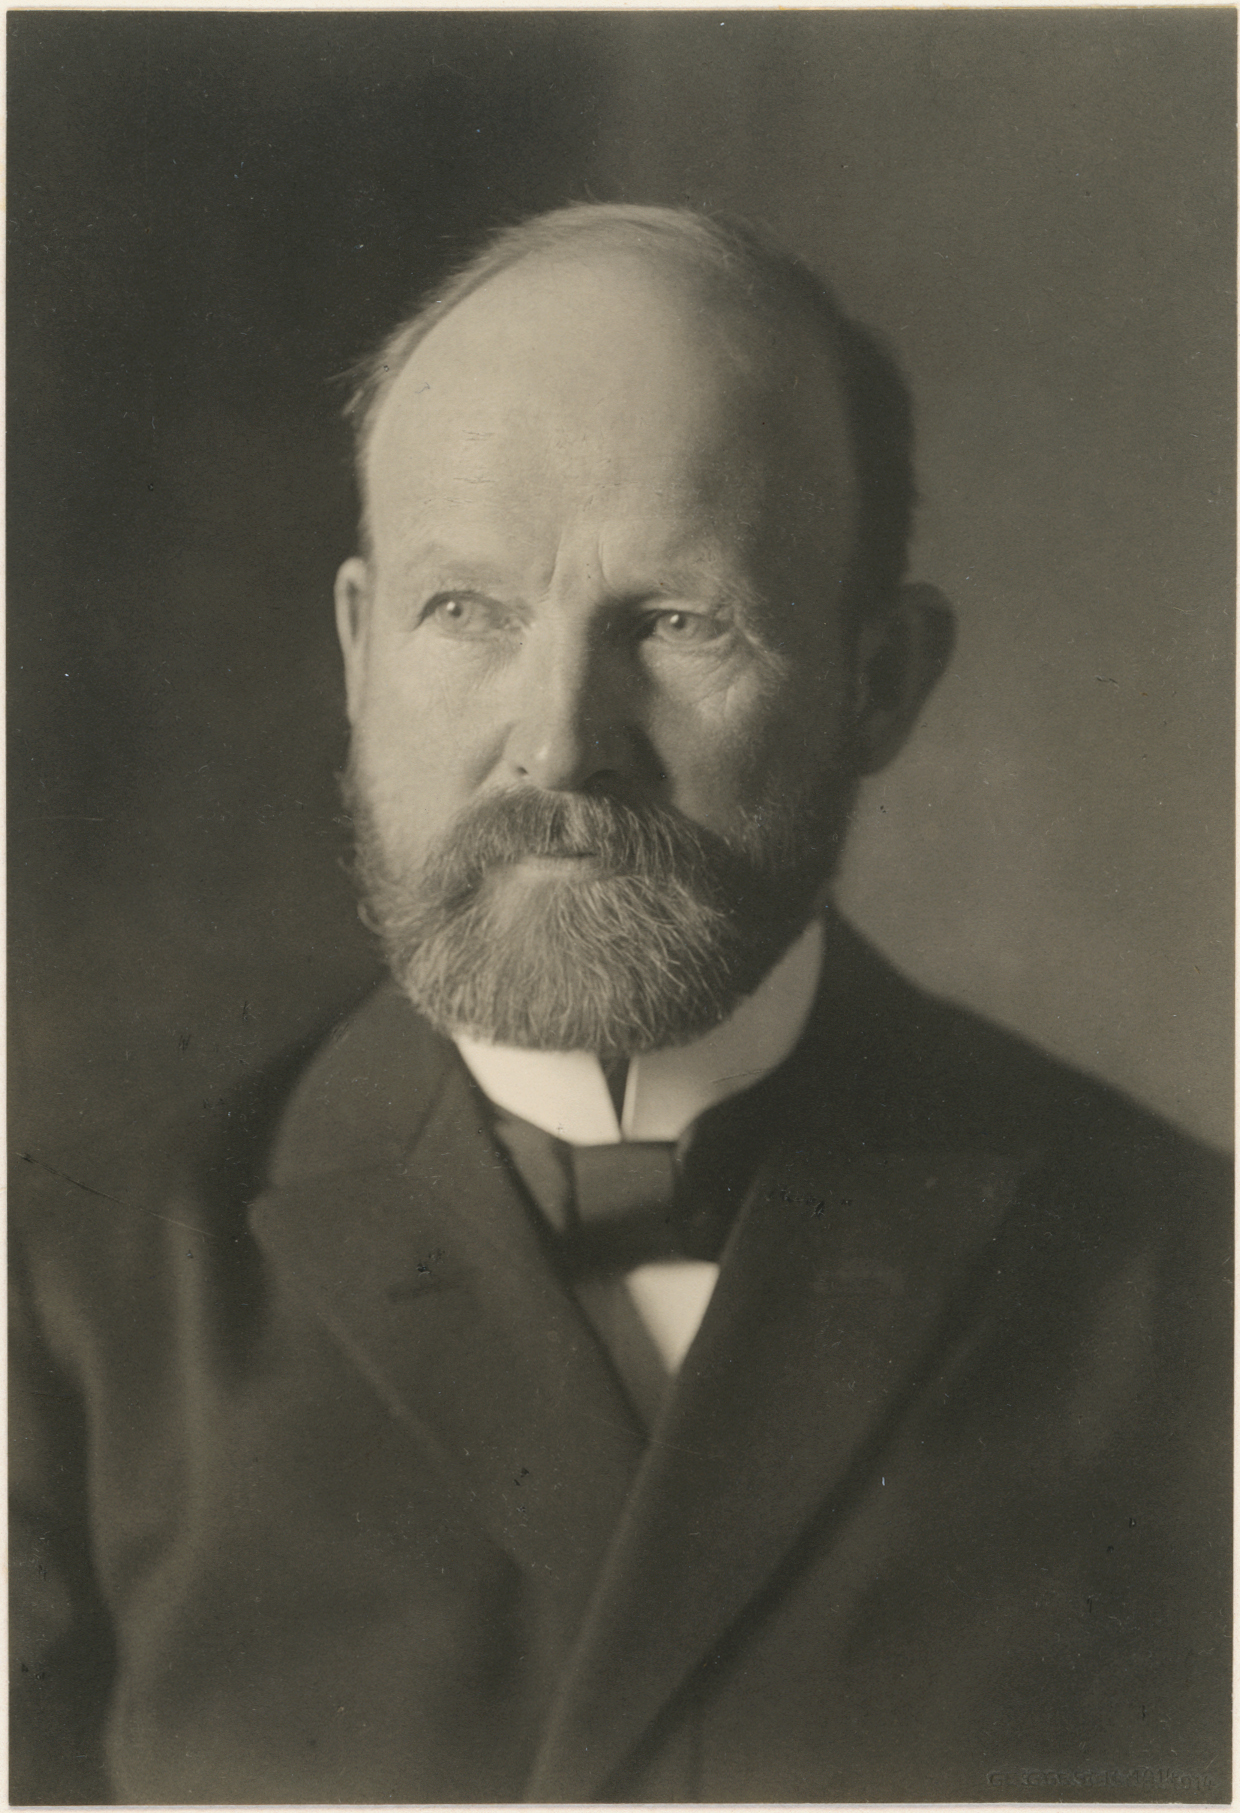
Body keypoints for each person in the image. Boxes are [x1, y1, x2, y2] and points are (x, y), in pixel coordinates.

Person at [10, 204, 1230, 1805]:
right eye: (468, 610)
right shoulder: (63, 1310)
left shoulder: (1188, 1292)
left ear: (880, 679)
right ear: (361, 648)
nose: (560, 741)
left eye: (673, 622)